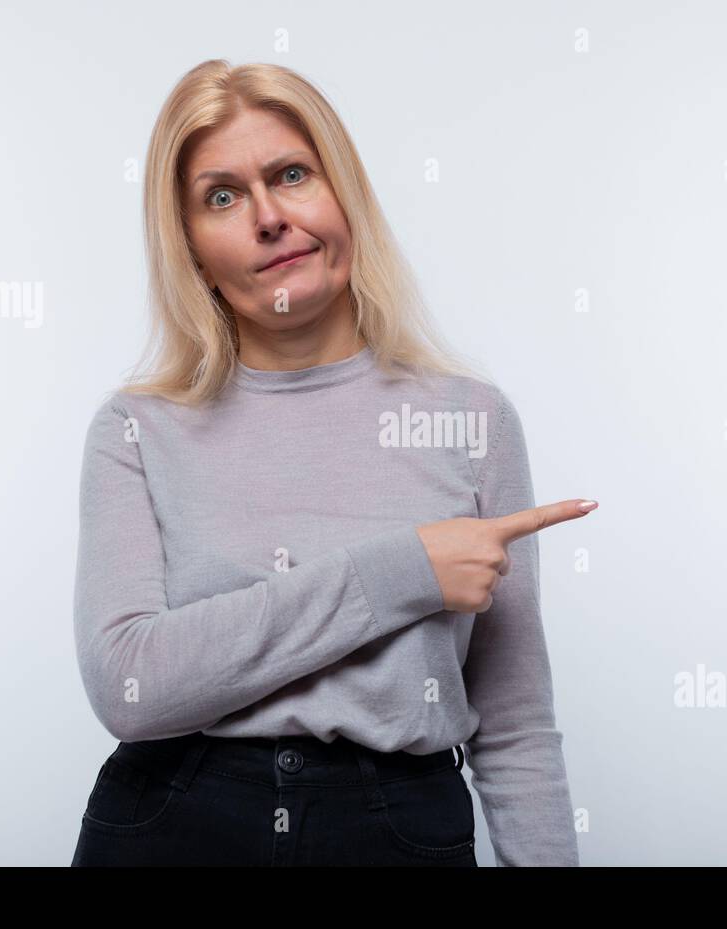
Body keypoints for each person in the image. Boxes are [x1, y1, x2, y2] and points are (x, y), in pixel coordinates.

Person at [70, 59, 597, 866]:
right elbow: (129, 685)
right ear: (192, 252)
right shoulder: (137, 429)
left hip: (399, 828)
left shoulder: (471, 422)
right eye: (222, 196)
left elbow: (516, 722)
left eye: (291, 175)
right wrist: (402, 572)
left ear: (344, 192)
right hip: (176, 822)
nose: (270, 217)